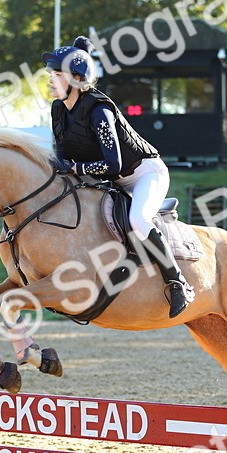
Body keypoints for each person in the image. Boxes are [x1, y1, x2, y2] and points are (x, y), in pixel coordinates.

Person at [42, 36, 195, 319]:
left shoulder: (99, 110)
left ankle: (178, 283)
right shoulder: (58, 110)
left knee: (139, 219)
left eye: (57, 75)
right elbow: (63, 156)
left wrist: (75, 169)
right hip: (110, 180)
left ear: (76, 79)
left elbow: (113, 164)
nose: (51, 80)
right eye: (51, 75)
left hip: (144, 174)